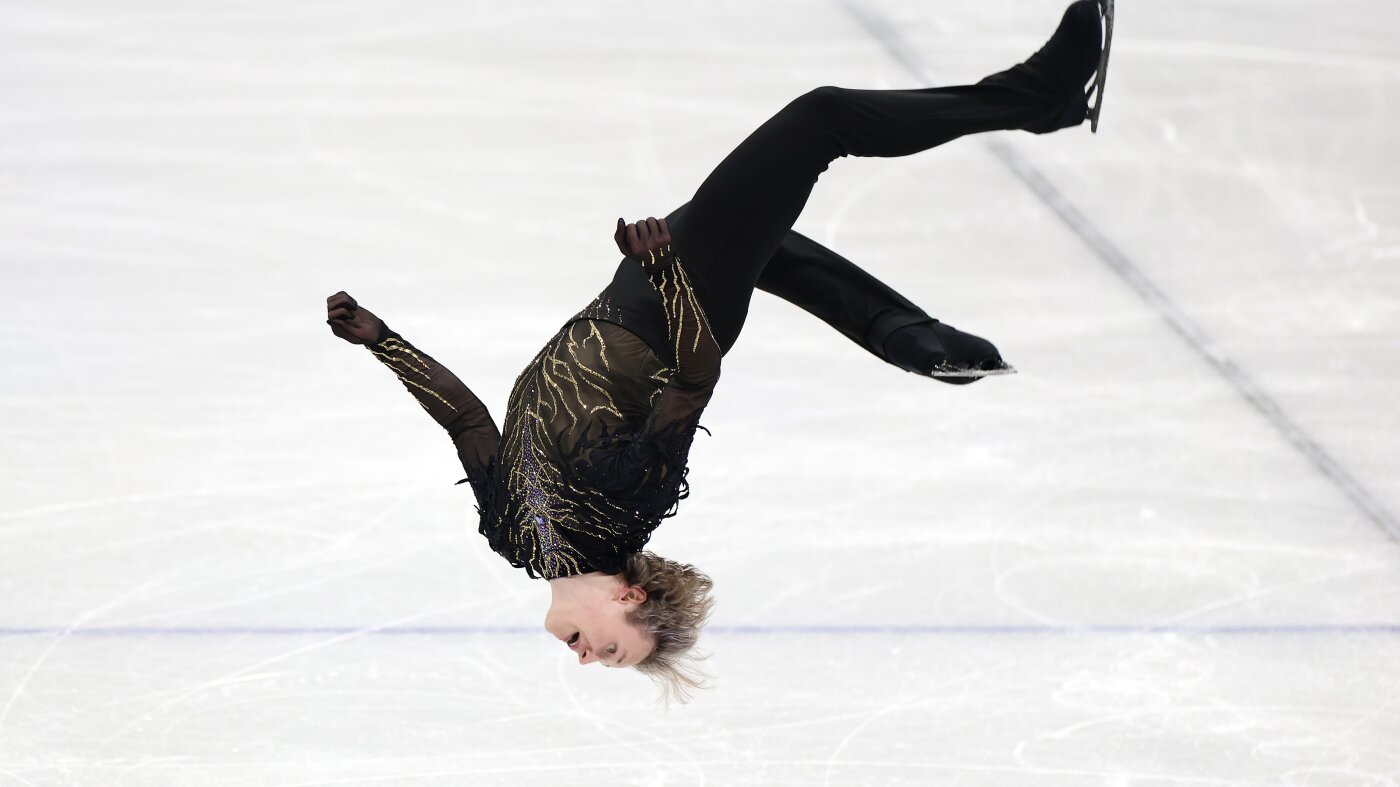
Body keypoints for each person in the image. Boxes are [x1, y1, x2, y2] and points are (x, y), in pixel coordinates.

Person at [325, 0, 1112, 703]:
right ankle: (1038, 96)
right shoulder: (623, 505)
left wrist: (384, 342)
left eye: (601, 660)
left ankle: (905, 336)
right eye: (615, 652)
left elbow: (464, 419)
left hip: (636, 288)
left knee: (759, 236)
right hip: (675, 306)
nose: (590, 658)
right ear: (630, 600)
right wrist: (669, 275)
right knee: (821, 119)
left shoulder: (511, 536)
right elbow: (697, 375)